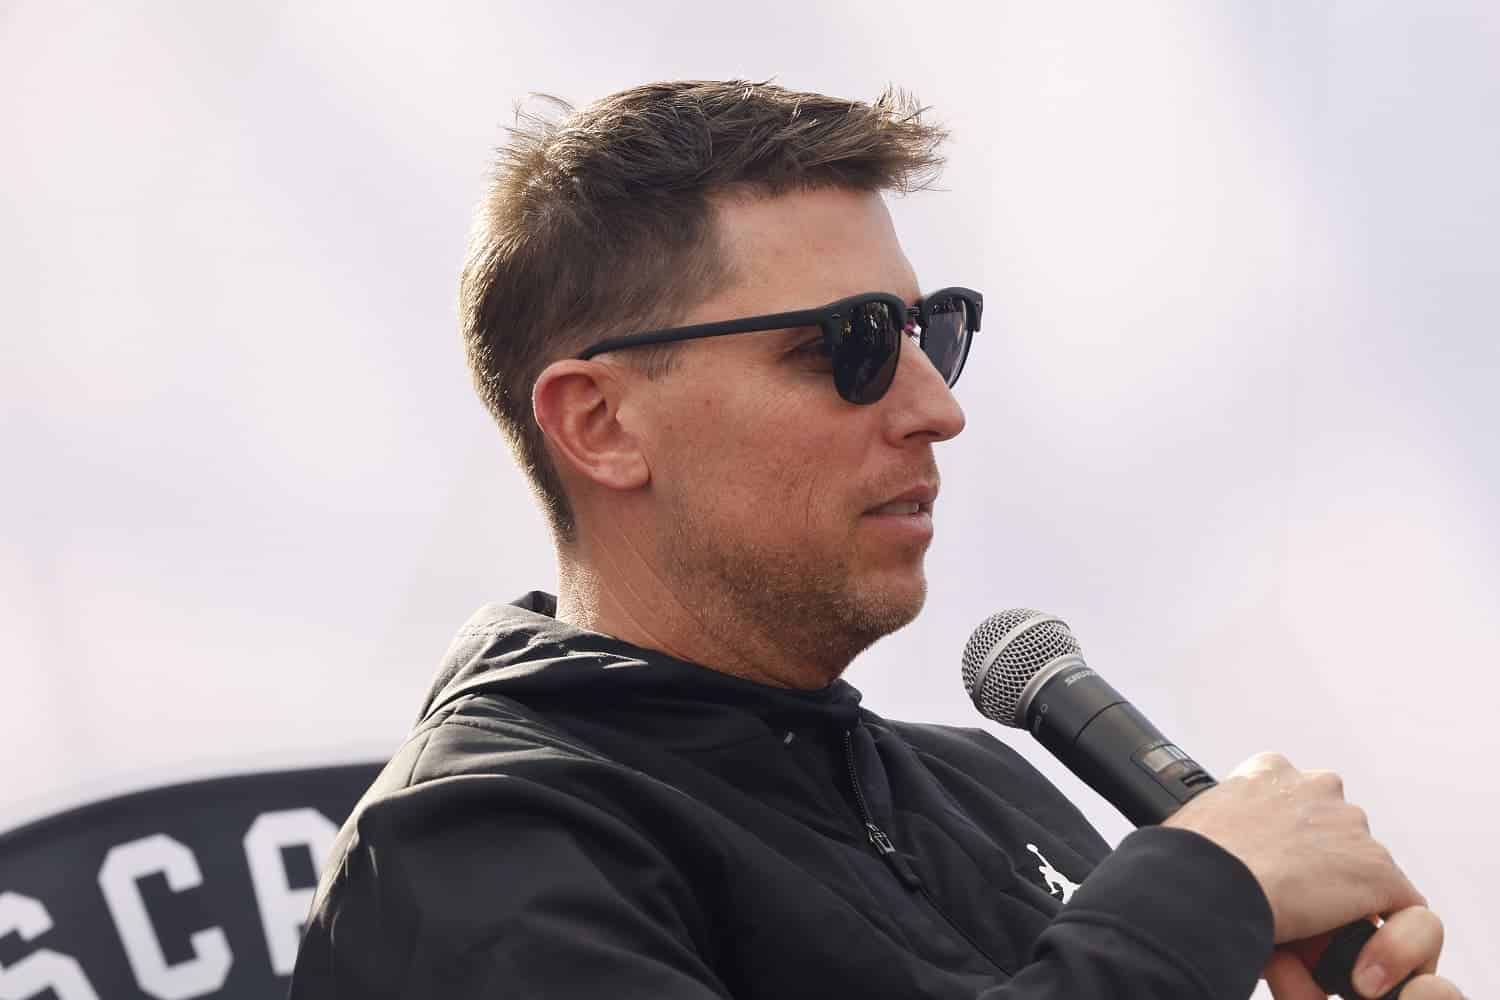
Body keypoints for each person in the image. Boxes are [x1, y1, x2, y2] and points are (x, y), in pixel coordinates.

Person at [288, 80, 1459, 999]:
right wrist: (1202, 893)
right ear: (600, 423)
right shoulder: (469, 848)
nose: (935, 406)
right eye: (845, 346)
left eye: (927, 330)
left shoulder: (978, 782)